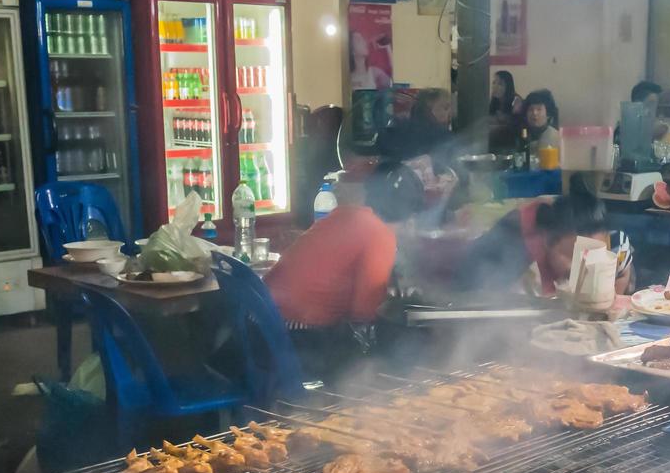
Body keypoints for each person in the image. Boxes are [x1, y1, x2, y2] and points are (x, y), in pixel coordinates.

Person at [264, 161, 422, 326]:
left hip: (260, 318)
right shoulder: (381, 235)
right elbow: (364, 315)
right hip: (287, 328)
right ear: (412, 219)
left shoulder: (349, 214)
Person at [459, 174, 633, 297]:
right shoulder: (519, 258)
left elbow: (623, 273)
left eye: (592, 256)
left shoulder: (614, 243)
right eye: (573, 256)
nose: (582, 269)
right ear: (548, 241)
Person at [380, 88, 456, 170]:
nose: (450, 113)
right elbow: (452, 169)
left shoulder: (395, 128)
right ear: (428, 109)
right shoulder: (443, 136)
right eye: (445, 108)